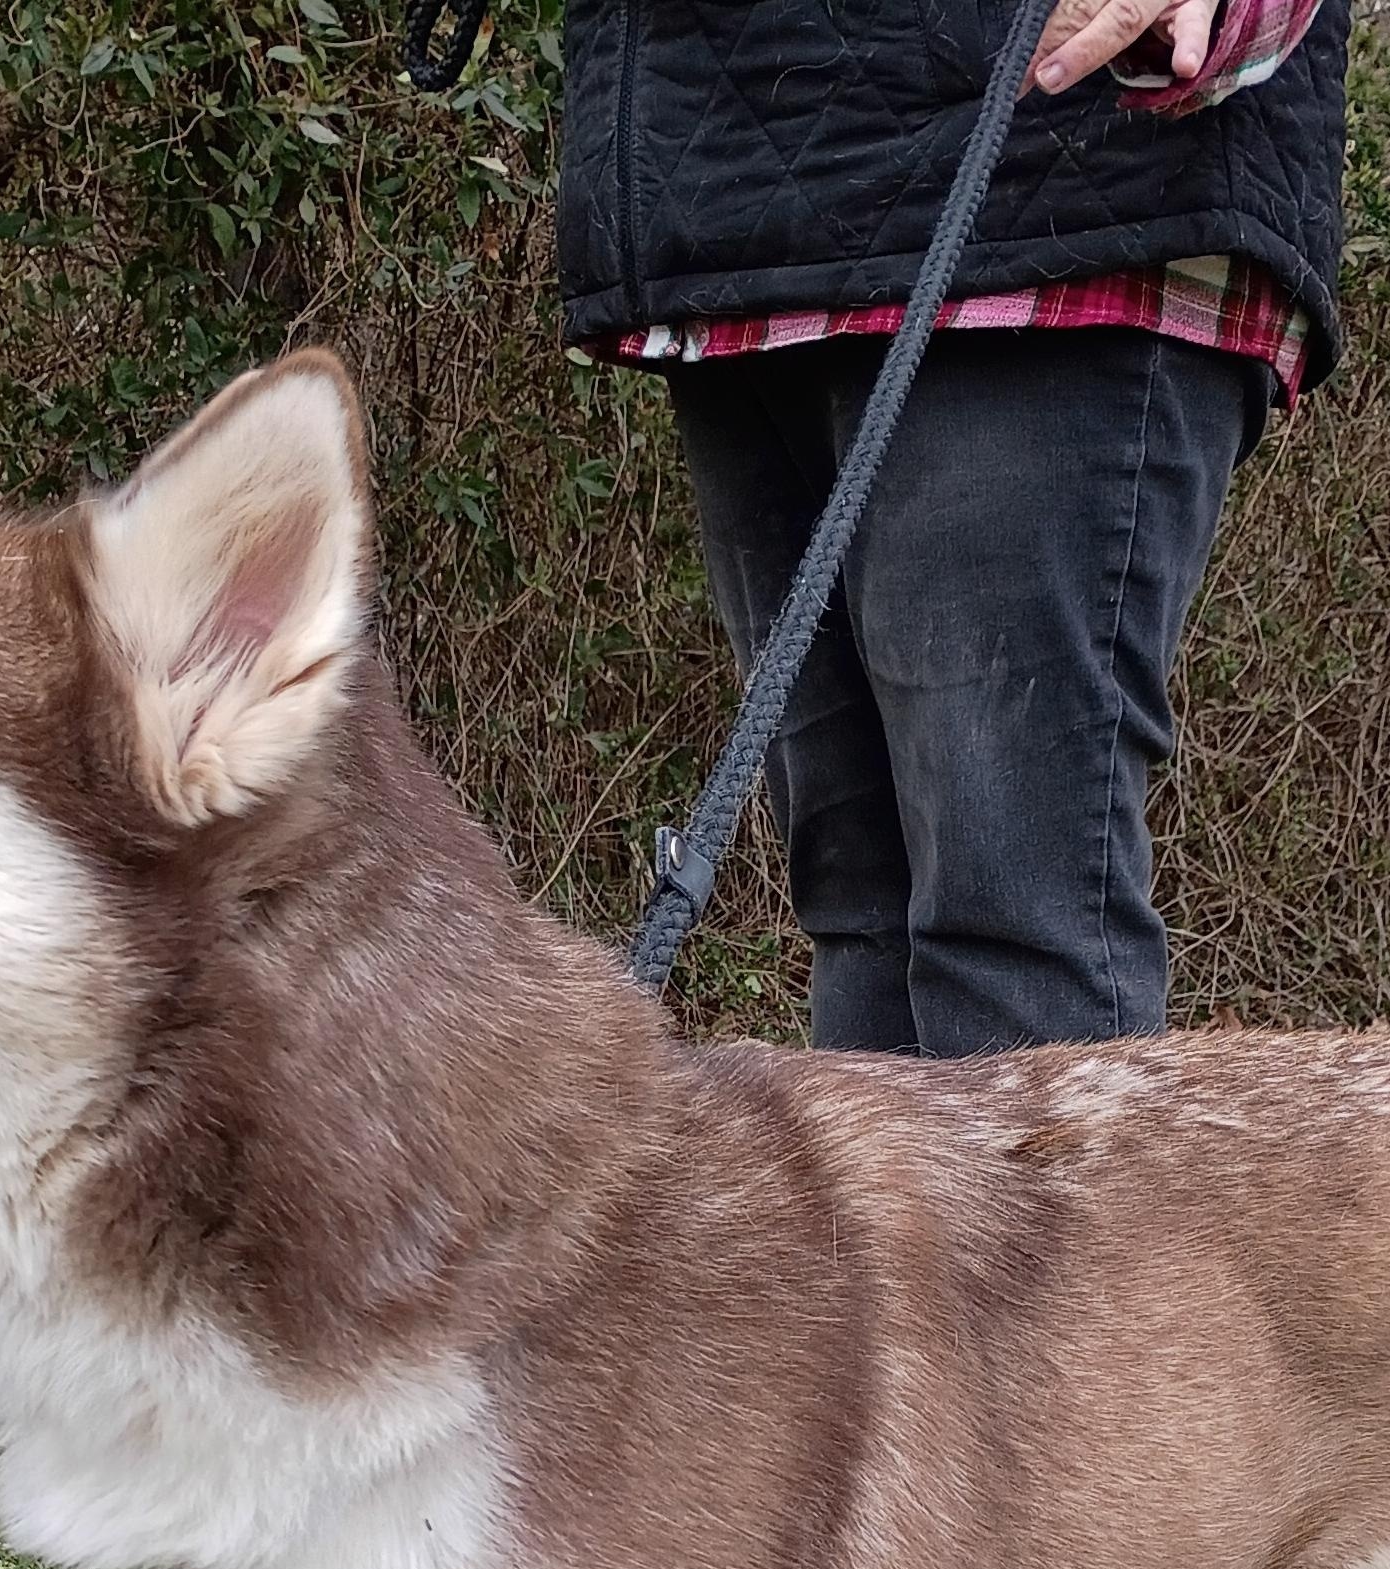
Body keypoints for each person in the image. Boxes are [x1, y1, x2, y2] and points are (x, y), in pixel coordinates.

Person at [556, 0, 1349, 1056]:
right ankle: (888, 1238)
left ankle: (1076, 1233)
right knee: (857, 908)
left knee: (1010, 922)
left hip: (1058, 192)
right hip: (728, 201)